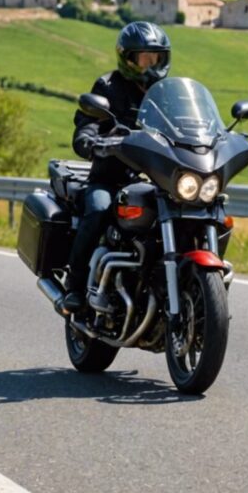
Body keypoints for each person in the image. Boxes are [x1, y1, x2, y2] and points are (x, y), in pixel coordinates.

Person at [60, 21, 172, 314]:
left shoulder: (167, 93)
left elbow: (187, 124)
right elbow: (87, 124)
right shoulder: (108, 86)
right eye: (145, 57)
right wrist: (90, 141)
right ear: (128, 58)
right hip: (111, 178)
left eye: (156, 57)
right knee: (97, 210)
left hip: (158, 179)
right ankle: (74, 286)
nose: (152, 63)